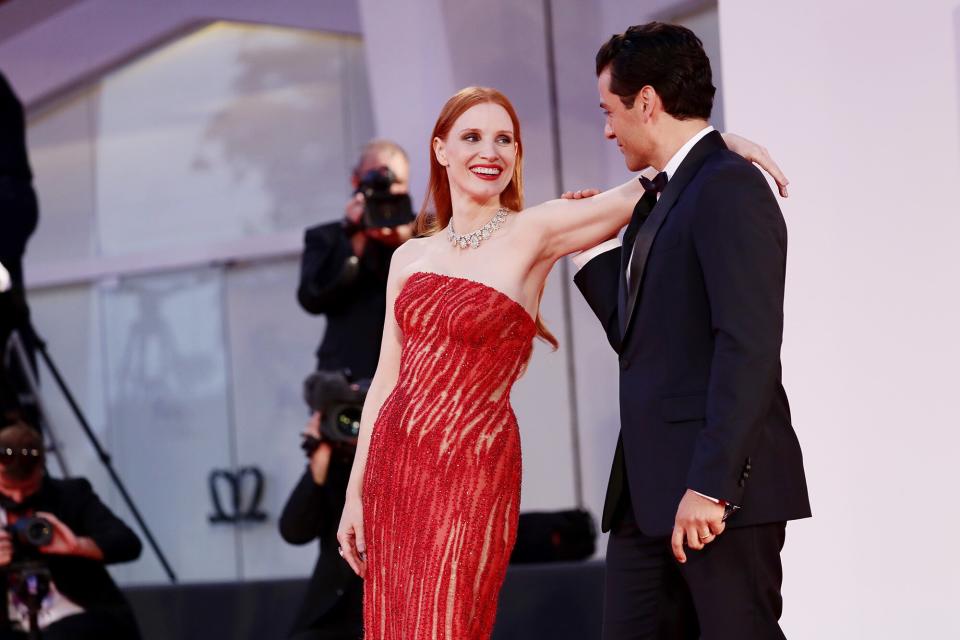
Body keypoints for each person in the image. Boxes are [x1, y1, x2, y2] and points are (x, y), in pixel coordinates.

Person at [335, 86, 787, 640]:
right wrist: (356, 494)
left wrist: (721, 144)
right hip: (394, 470)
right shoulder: (409, 256)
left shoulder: (536, 229)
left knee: (447, 625)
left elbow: (661, 178)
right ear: (441, 149)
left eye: (505, 140)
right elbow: (387, 378)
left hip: (470, 469)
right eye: (472, 137)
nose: (491, 152)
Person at [573, 23, 811, 639]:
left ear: (646, 102)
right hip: (647, 495)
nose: (606, 128)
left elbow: (748, 346)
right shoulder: (665, 196)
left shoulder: (729, 185)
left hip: (717, 493)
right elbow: (642, 342)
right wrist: (592, 255)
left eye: (609, 109)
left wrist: (711, 485)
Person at [0, 421, 143, 639]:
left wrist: (77, 545)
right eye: (8, 488)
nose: (18, 498)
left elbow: (128, 544)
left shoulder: (70, 495)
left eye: (28, 488)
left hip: (76, 618)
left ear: (42, 469)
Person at [297, 139, 414, 381]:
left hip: (413, 378)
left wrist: (407, 243)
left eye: (396, 182)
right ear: (356, 179)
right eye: (377, 180)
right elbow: (311, 298)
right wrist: (354, 238)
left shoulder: (427, 234)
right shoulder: (327, 237)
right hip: (346, 379)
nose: (387, 189)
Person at [278, 412, 362, 640]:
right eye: (345, 416)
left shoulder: (399, 469)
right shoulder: (333, 472)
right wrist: (319, 458)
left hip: (385, 611)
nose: (355, 425)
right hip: (331, 616)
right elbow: (294, 532)